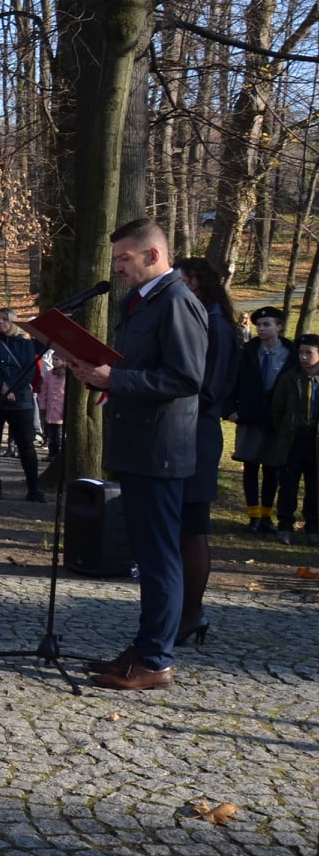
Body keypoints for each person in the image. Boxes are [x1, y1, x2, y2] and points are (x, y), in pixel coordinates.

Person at [72, 217, 207, 692]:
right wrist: (95, 371)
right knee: (148, 558)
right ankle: (144, 647)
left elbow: (186, 378)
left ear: (153, 255)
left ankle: (155, 661)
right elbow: (139, 368)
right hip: (138, 445)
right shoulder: (142, 302)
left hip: (161, 450)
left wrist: (116, 380)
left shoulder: (177, 302)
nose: (119, 269)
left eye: (125, 259)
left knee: (159, 559)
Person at [174, 257, 240, 647]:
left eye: (182, 281)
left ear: (197, 282)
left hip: (197, 432)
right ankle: (184, 611)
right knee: (184, 527)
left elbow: (209, 387)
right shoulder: (209, 318)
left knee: (193, 527)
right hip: (189, 430)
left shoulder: (215, 325)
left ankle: (192, 612)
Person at [0, 308, 46, 503]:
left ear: (13, 322)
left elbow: (28, 370)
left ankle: (33, 487)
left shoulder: (25, 344)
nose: (1, 322)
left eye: (5, 319)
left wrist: (12, 387)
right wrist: (2, 387)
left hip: (19, 400)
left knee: (26, 445)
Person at [231, 306, 291, 535]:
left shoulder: (291, 354)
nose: (262, 329)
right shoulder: (247, 352)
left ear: (279, 327)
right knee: (250, 466)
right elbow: (234, 381)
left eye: (267, 324)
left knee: (272, 469)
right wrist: (230, 409)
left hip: (276, 421)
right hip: (249, 416)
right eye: (259, 325)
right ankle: (253, 515)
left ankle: (267, 515)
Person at [267, 335, 319, 545]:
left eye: (309, 353)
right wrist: (286, 431)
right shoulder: (290, 378)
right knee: (288, 484)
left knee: (314, 485)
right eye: (301, 353)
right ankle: (285, 525)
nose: (304, 357)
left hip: (315, 441)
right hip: (293, 439)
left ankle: (313, 526)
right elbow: (278, 409)